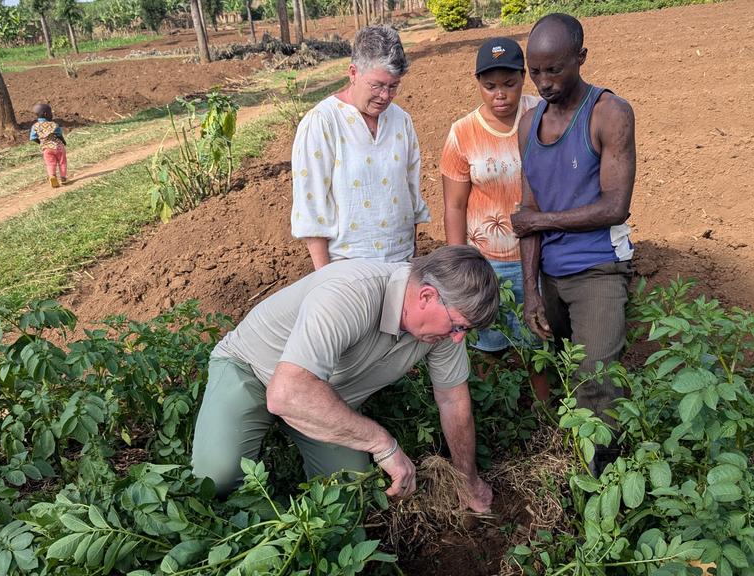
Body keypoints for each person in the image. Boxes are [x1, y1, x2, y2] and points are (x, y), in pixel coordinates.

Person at [190, 245, 499, 512]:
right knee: (215, 479)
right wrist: (383, 444)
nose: (459, 339)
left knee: (348, 497)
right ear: (427, 296)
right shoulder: (352, 291)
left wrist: (467, 479)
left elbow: (453, 400)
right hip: (255, 370)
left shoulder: (443, 332)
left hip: (326, 396)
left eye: (465, 330)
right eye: (458, 326)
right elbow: (286, 393)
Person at [510, 14, 637, 471]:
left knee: (597, 383)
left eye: (554, 69)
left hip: (598, 268)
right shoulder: (529, 125)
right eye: (535, 71)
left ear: (581, 59)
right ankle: (580, 467)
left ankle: (606, 486)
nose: (543, 82)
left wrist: (540, 219)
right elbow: (526, 216)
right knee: (567, 366)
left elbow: (614, 206)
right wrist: (530, 291)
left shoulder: (608, 113)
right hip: (550, 274)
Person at [439, 37, 549, 402]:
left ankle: (544, 417)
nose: (499, 94)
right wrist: (459, 268)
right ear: (478, 84)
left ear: (524, 78)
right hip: (485, 262)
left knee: (538, 345)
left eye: (509, 84)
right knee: (488, 345)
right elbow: (454, 206)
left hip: (537, 258)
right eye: (489, 86)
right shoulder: (463, 133)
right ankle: (495, 413)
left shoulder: (542, 116)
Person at [291, 25, 430, 271]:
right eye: (377, 85)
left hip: (401, 264)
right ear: (353, 73)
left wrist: (412, 260)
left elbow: (411, 192)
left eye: (393, 86)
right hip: (347, 272)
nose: (385, 96)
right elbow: (311, 208)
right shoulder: (323, 122)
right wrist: (325, 280)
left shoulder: (401, 120)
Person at [30, 103, 68, 188]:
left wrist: (41, 143)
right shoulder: (54, 124)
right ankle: (63, 178)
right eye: (50, 112)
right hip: (58, 146)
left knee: (50, 164)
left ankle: (52, 176)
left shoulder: (35, 126)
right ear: (46, 114)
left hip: (46, 149)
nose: (52, 114)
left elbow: (33, 138)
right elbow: (59, 135)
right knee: (62, 162)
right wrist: (64, 142)